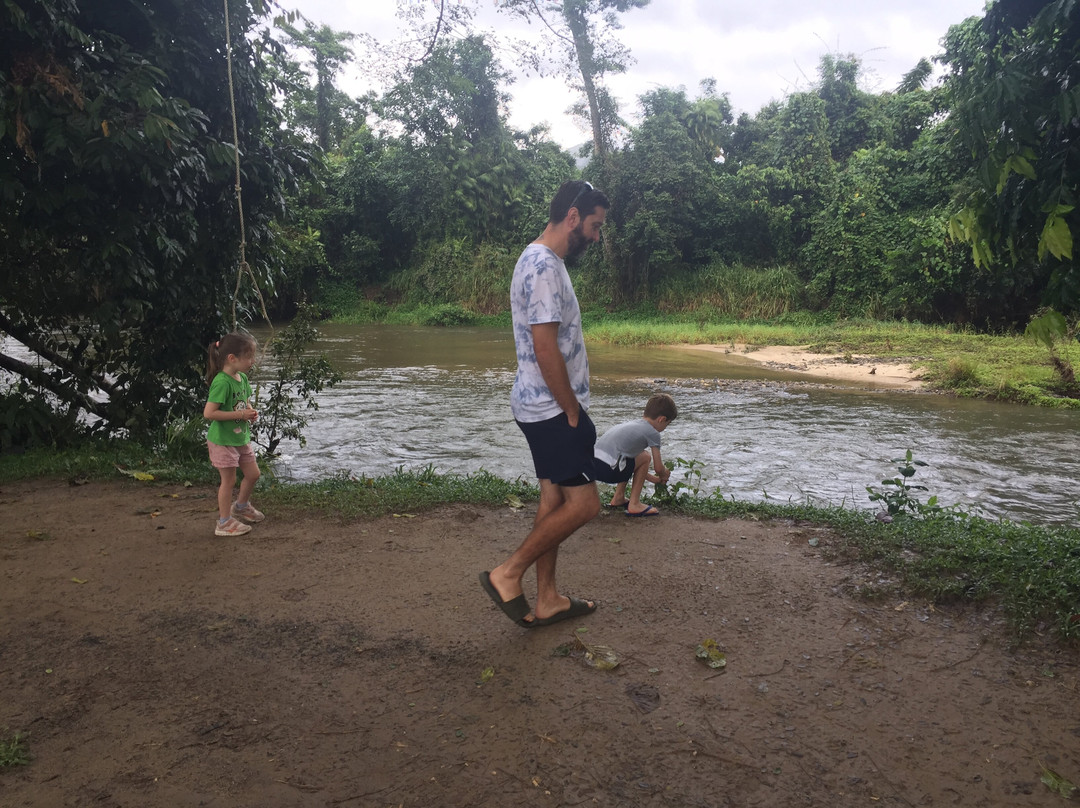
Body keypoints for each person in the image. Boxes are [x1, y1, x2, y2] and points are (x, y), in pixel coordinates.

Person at [479, 179, 609, 628]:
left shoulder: (541, 259)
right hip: (552, 410)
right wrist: (572, 410)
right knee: (585, 505)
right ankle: (507, 573)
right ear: (573, 217)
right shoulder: (543, 265)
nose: (596, 236)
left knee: (554, 499)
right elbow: (544, 346)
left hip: (540, 404)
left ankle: (548, 597)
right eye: (594, 226)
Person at [204, 332, 263, 537]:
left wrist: (249, 411)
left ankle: (241, 506)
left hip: (240, 437)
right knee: (228, 481)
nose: (252, 361)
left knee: (253, 474)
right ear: (232, 358)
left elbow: (244, 401)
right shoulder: (222, 382)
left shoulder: (242, 378)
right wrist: (240, 414)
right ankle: (224, 522)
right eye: (249, 357)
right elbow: (209, 413)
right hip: (222, 440)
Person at [592, 393, 677, 517]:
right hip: (610, 471)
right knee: (645, 456)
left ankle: (618, 497)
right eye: (667, 424)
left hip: (595, 468)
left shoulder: (631, 424)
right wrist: (664, 474)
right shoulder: (653, 433)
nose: (665, 427)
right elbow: (658, 468)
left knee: (630, 456)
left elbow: (633, 465)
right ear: (661, 419)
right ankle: (635, 504)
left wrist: (654, 480)